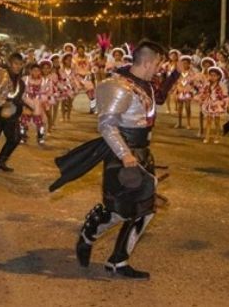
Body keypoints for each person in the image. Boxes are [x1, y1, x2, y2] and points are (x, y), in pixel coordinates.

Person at [49, 40, 176, 280]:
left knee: (146, 209)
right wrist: (125, 154)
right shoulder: (118, 86)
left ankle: (119, 261)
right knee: (119, 210)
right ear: (147, 62)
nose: (159, 68)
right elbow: (106, 126)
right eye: (158, 63)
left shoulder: (146, 85)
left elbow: (157, 100)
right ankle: (88, 234)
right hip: (122, 154)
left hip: (142, 151)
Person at [0, 52, 26, 172]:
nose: (18, 66)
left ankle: (0, 161)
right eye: (15, 63)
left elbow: (18, 98)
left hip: (11, 114)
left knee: (15, 138)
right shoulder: (1, 76)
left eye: (20, 64)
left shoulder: (21, 82)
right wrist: (3, 103)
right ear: (9, 63)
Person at [199, 66, 229, 144]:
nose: (212, 77)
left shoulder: (221, 85)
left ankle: (217, 136)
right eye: (211, 75)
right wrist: (202, 98)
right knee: (208, 120)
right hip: (209, 103)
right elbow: (203, 92)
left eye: (214, 75)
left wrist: (223, 103)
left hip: (217, 104)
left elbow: (225, 95)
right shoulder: (207, 84)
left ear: (218, 76)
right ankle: (207, 136)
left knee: (217, 121)